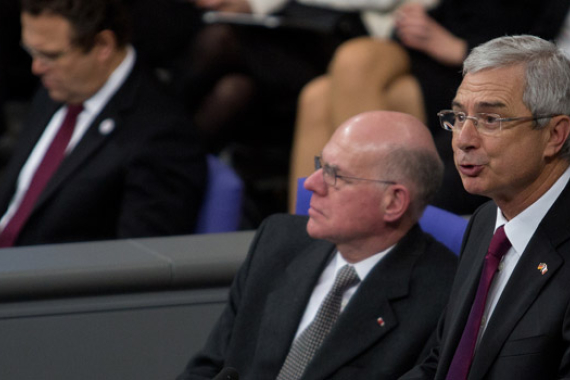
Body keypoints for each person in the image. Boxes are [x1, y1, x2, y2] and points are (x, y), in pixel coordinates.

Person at [177, 110, 458, 379]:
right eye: (320, 165)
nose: (310, 184)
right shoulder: (277, 241)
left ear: (394, 202)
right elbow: (210, 365)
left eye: (335, 175)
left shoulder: (444, 299)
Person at [288, 0, 570, 215]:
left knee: (323, 95)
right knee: (337, 74)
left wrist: (458, 48)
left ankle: (366, 213)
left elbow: (542, 49)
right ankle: (310, 230)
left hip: (476, 70)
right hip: (425, 49)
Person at [401, 35, 570, 380]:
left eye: (491, 120)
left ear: (555, 134)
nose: (463, 138)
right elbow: (442, 361)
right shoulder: (486, 222)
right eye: (459, 116)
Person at [0, 0, 207, 247]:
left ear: (103, 45)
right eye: (31, 52)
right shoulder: (59, 86)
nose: (36, 67)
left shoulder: (162, 136)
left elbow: (140, 265)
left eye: (50, 55)